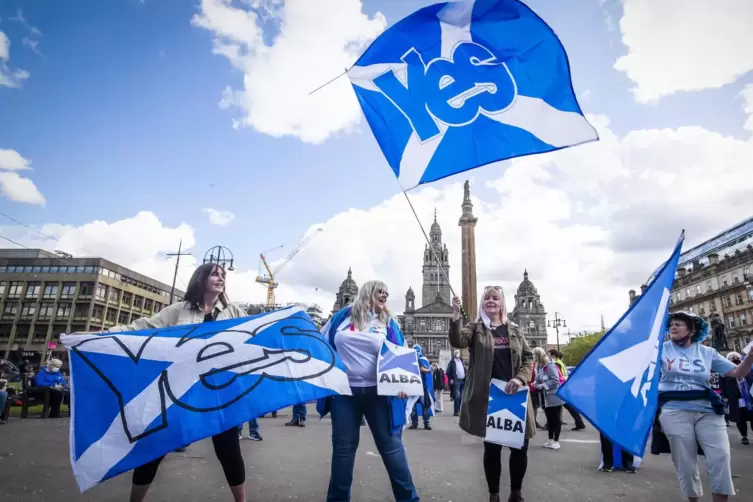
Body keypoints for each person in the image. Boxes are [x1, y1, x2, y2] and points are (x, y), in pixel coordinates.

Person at [100, 263, 249, 502]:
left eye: (223, 275)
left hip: (219, 392)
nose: (221, 278)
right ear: (201, 279)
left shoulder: (234, 312)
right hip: (179, 390)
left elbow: (256, 334)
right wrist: (100, 335)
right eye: (215, 274)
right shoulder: (178, 311)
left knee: (229, 450)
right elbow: (141, 327)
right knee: (155, 446)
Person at [317, 280, 419, 502]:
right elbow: (319, 342)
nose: (384, 295)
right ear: (367, 292)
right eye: (380, 291)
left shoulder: (389, 322)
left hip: (379, 395)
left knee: (392, 451)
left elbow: (401, 352)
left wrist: (403, 384)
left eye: (387, 293)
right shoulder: (341, 318)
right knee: (343, 452)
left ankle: (409, 499)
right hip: (344, 394)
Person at [656, 311, 753, 502]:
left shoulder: (707, 352)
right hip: (674, 409)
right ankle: (693, 499)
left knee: (720, 458)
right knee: (685, 462)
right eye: (672, 324)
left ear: (691, 330)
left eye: (679, 324)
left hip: (708, 410)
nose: (673, 327)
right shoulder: (660, 349)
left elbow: (737, 372)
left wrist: (750, 357)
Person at [449, 287, 535, 502]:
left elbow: (528, 357)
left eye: (495, 298)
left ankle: (516, 493)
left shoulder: (514, 329)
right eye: (487, 297)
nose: (490, 300)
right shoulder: (475, 327)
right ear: (482, 303)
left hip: (515, 394)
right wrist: (456, 315)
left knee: (520, 448)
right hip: (490, 396)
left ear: (502, 303)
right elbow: (458, 341)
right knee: (493, 448)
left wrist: (520, 378)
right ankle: (494, 495)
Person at [532, 347, 563, 450]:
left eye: (535, 355)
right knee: (549, 419)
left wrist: (542, 385)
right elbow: (539, 379)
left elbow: (555, 380)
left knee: (556, 419)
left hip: (554, 396)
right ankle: (550, 439)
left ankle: (556, 440)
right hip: (545, 397)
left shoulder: (550, 365)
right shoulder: (539, 367)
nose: (534, 358)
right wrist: (536, 383)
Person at [548, 349, 586, 431]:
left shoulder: (555, 363)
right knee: (568, 406)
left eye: (549, 355)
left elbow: (556, 375)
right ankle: (579, 423)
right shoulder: (561, 362)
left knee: (557, 406)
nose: (548, 357)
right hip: (564, 385)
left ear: (553, 355)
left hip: (561, 386)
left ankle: (551, 424)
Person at [720, 351, 753, 445]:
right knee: (740, 418)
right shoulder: (725, 370)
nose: (735, 359)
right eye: (732, 358)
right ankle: (744, 435)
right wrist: (726, 396)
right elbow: (722, 384)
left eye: (736, 358)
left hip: (749, 396)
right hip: (735, 397)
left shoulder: (748, 367)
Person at [409, 344, 433, 430]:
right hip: (413, 386)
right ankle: (414, 423)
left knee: (425, 406)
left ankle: (426, 423)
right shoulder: (410, 359)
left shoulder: (422, 360)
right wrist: (427, 369)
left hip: (422, 386)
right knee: (413, 406)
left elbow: (425, 369)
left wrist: (428, 369)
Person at [446, 348, 467, 417]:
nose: (457, 354)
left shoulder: (461, 361)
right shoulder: (452, 362)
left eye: (458, 352)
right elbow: (448, 371)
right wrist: (451, 379)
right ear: (454, 354)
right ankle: (456, 411)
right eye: (456, 353)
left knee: (461, 397)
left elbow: (463, 369)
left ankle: (458, 410)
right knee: (457, 396)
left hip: (462, 380)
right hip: (456, 380)